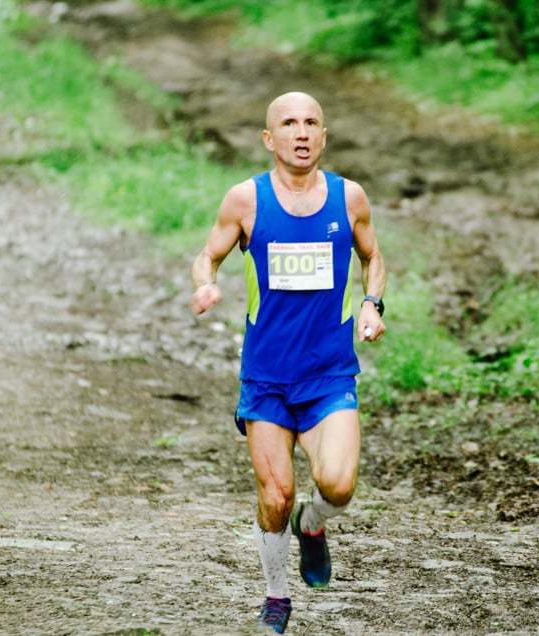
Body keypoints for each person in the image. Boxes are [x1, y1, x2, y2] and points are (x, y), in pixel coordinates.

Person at [189, 91, 386, 634]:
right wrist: (205, 285)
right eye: (289, 124)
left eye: (312, 122)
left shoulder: (349, 199)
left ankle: (313, 525)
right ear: (268, 139)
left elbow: (373, 257)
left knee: (338, 485)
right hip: (267, 378)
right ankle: (277, 596)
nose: (301, 132)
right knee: (275, 494)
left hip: (328, 374)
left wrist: (372, 303)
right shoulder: (246, 201)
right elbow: (208, 254)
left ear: (324, 136)